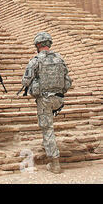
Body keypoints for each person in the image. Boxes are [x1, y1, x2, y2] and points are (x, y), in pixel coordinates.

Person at [21, 32, 72, 174]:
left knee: (48, 128)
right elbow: (67, 78)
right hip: (59, 98)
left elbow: (25, 81)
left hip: (44, 100)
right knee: (48, 128)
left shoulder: (35, 60)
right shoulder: (60, 58)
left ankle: (54, 163)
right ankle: (48, 145)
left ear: (38, 45)